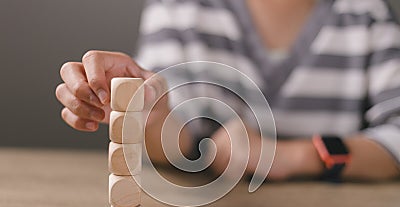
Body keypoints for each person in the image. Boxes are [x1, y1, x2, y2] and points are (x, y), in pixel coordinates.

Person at [56, 0, 400, 182]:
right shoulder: (181, 7)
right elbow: (178, 144)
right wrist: (149, 116)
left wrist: (290, 157)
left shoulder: (366, 13)